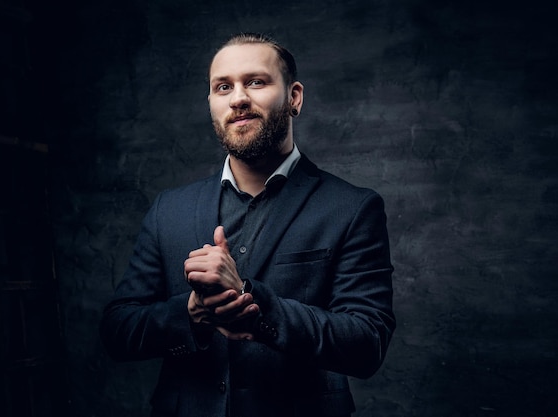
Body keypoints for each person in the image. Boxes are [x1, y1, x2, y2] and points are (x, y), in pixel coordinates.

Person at [100, 32, 395, 417]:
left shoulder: (353, 208)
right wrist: (190, 314)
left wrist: (254, 306)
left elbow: (366, 345)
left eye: (256, 82)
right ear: (211, 103)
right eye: (223, 87)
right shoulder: (168, 209)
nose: (238, 98)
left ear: (294, 97)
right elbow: (117, 331)